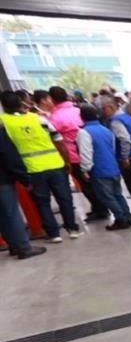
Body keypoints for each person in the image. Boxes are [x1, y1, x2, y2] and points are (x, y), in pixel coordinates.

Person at [0, 90, 79, 242]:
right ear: (20, 103)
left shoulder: (3, 123)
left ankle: (54, 234)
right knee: (65, 198)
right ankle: (72, 229)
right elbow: (59, 140)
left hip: (32, 169)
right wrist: (67, 161)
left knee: (42, 203)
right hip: (55, 164)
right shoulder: (39, 118)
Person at [46, 86, 107, 223]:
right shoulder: (79, 110)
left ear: (52, 99)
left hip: (73, 155)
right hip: (91, 151)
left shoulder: (55, 118)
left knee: (85, 185)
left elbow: (55, 139)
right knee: (94, 182)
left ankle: (100, 209)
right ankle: (101, 206)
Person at [76, 104, 131, 231]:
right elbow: (111, 148)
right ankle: (127, 216)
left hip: (99, 170)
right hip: (113, 167)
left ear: (82, 117)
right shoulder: (106, 129)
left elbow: (86, 152)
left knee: (106, 196)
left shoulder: (84, 132)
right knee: (118, 194)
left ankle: (120, 219)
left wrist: (85, 169)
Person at [0, 124, 46, 259]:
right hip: (2, 180)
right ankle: (24, 247)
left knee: (2, 216)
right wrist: (25, 178)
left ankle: (14, 245)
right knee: (11, 213)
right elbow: (8, 156)